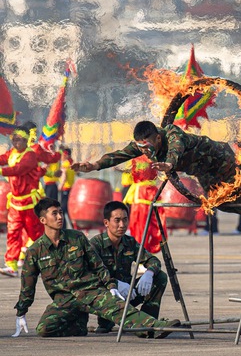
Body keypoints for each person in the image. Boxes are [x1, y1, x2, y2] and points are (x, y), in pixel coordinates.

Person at [71, 120, 241, 262]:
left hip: (222, 162)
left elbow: (176, 150)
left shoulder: (172, 134)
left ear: (157, 138)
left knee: (238, 204)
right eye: (141, 148)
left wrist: (169, 165)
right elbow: (119, 155)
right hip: (204, 172)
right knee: (221, 205)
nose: (145, 152)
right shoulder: (143, 145)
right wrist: (94, 165)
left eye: (148, 147)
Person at [11, 197, 180, 338]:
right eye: (54, 214)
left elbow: (97, 266)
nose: (60, 217)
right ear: (42, 220)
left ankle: (155, 326)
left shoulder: (77, 238)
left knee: (119, 309)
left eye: (61, 212)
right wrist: (21, 311)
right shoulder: (35, 251)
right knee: (44, 329)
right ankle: (79, 326)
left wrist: (112, 286)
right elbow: (28, 286)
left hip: (90, 291)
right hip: (65, 300)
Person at [90, 201, 168, 336]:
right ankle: (108, 322)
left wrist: (149, 273)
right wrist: (115, 284)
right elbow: (88, 274)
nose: (122, 225)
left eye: (125, 220)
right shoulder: (95, 245)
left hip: (128, 292)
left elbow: (153, 260)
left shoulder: (129, 242)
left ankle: (148, 322)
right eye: (117, 220)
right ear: (106, 223)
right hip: (106, 295)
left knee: (160, 277)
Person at [0, 126, 45, 277]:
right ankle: (11, 266)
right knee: (13, 233)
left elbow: (18, 169)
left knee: (36, 234)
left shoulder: (30, 156)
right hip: (15, 203)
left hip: (29, 204)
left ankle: (48, 261)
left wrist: (1, 171)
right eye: (14, 139)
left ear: (26, 141)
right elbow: (3, 159)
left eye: (19, 140)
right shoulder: (12, 153)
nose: (15, 142)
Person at [122, 155, 166, 253]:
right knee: (158, 227)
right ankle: (149, 254)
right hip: (154, 194)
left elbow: (126, 181)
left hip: (140, 195)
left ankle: (141, 257)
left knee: (140, 229)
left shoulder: (133, 158)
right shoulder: (157, 155)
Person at [58, 146, 75, 229]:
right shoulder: (72, 163)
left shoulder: (65, 164)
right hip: (71, 189)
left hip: (65, 189)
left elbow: (64, 175)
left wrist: (61, 185)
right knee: (68, 210)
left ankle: (63, 227)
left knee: (63, 209)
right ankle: (73, 226)